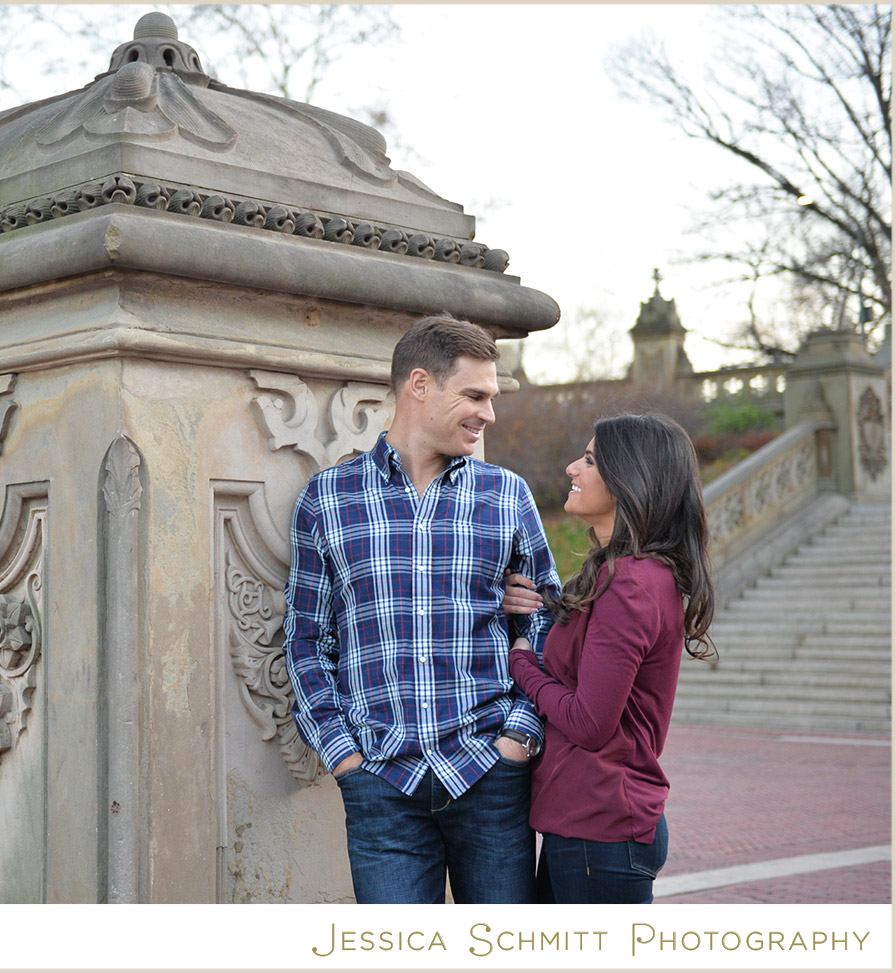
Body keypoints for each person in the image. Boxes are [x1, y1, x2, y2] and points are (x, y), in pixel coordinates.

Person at [283, 314, 561, 904]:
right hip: (380, 780)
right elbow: (307, 639)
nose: (490, 413)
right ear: (419, 385)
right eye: (476, 395)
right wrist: (343, 755)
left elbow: (545, 620)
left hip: (489, 771)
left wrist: (519, 736)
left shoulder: (506, 496)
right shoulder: (328, 499)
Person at [503, 412, 715, 904]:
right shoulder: (625, 575)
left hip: (601, 833)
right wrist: (538, 606)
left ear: (628, 480)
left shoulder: (632, 583)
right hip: (587, 827)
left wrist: (522, 666)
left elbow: (590, 722)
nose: (573, 468)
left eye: (591, 460)